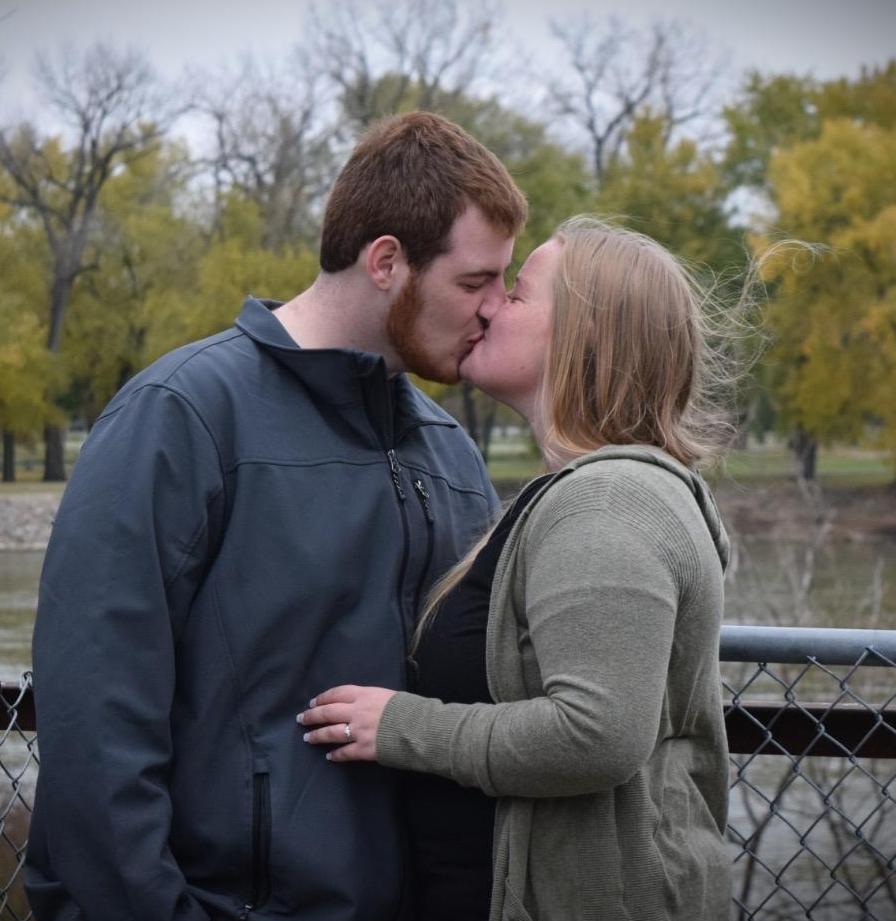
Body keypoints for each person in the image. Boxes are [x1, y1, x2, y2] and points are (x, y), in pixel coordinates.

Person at [25, 112, 527, 921]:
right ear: (386, 262)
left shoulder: (450, 454)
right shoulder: (181, 415)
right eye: (475, 282)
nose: (495, 309)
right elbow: (94, 717)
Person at [299, 217, 734, 921]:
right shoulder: (599, 492)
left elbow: (597, 735)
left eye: (518, 293)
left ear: (585, 337)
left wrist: (404, 728)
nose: (490, 306)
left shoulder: (608, 500)